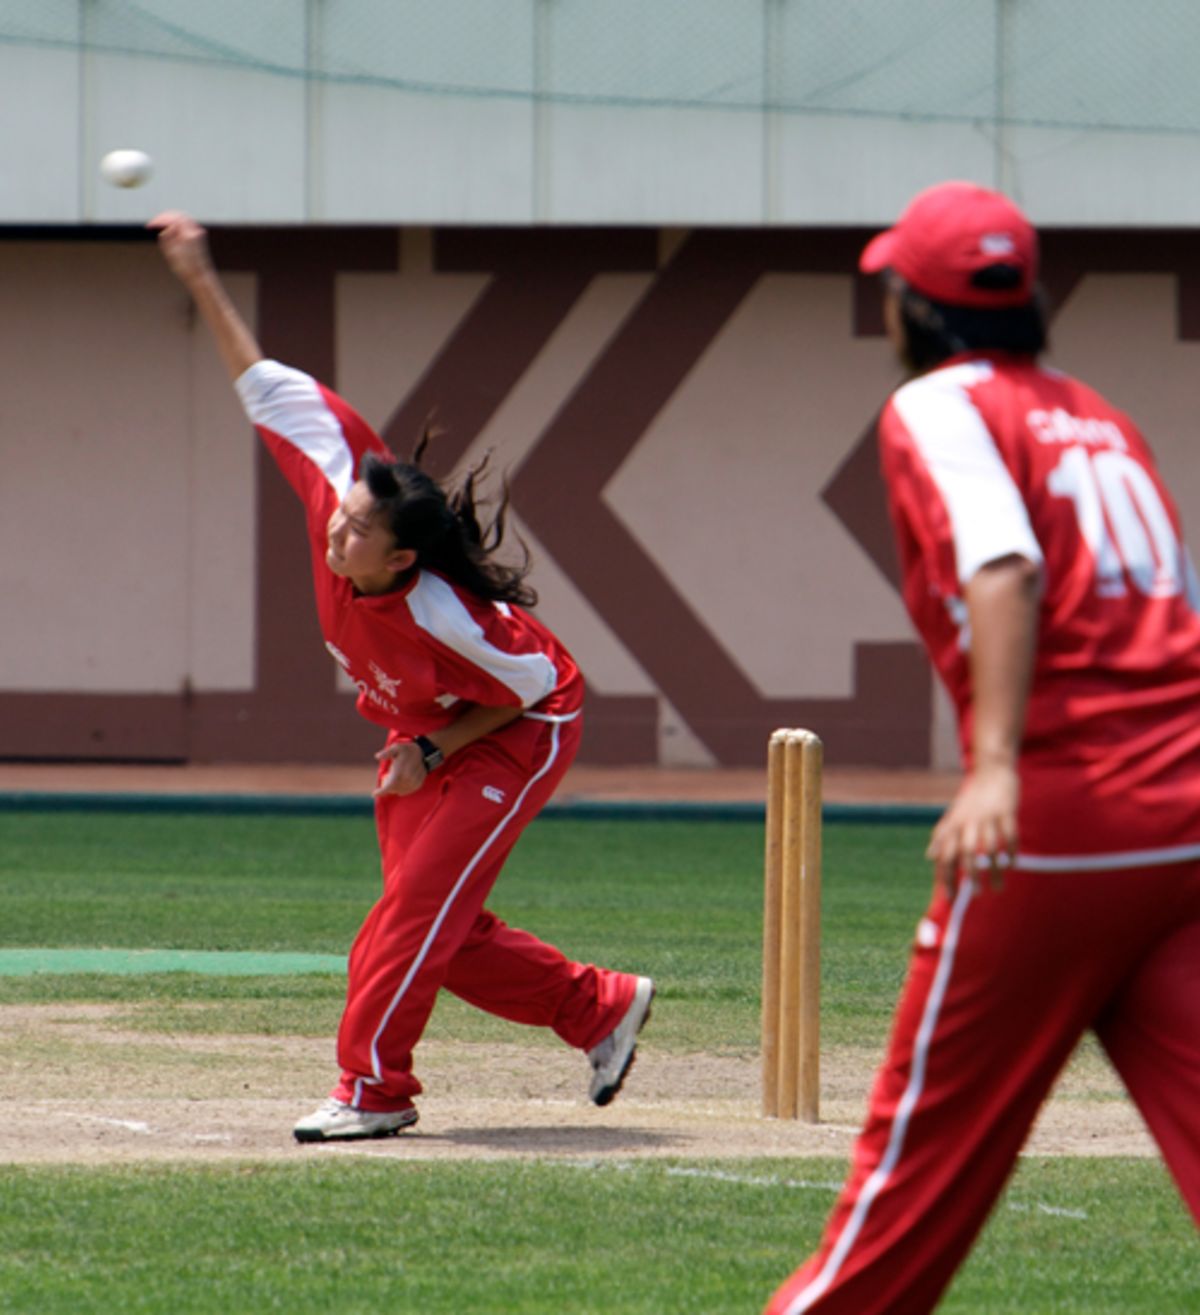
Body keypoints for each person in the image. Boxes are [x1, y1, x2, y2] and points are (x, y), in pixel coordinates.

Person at [766, 181, 1200, 1313]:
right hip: (1185, 817)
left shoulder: (939, 406)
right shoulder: (1100, 413)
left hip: (1065, 819)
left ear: (916, 305)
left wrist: (997, 765)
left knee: (909, 1184)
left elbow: (1001, 567)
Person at [150, 211, 654, 1143]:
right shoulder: (337, 478)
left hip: (522, 725)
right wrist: (197, 274)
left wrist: (434, 743)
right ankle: (599, 1007)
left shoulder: (443, 615)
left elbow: (538, 689)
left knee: (407, 915)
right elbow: (259, 383)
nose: (335, 535)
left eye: (356, 537)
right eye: (339, 520)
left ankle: (374, 1088)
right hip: (434, 722)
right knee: (443, 925)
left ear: (402, 558)